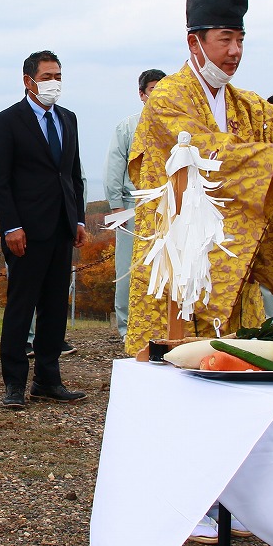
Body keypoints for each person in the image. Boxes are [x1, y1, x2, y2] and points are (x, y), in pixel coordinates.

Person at [126, 0, 273, 352]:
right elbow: (203, 153)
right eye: (225, 39)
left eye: (240, 39)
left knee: (236, 362)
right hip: (180, 265)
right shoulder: (167, 98)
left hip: (234, 263)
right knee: (177, 365)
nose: (235, 51)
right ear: (195, 43)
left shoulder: (246, 106)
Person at [0, 50, 88, 410]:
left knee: (54, 306)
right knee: (21, 306)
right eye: (47, 76)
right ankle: (14, 383)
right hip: (25, 232)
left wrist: (77, 218)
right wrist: (11, 226)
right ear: (29, 81)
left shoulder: (68, 118)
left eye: (58, 75)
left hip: (61, 226)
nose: (54, 83)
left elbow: (71, 173)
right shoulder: (8, 121)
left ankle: (48, 379)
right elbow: (0, 181)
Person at [103, 68, 165, 341]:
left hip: (168, 206)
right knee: (128, 270)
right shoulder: (128, 126)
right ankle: (128, 329)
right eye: (153, 89)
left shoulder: (180, 125)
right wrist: (116, 206)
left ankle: (163, 325)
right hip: (133, 204)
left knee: (165, 269)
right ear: (142, 94)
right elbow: (114, 167)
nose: (158, 93)